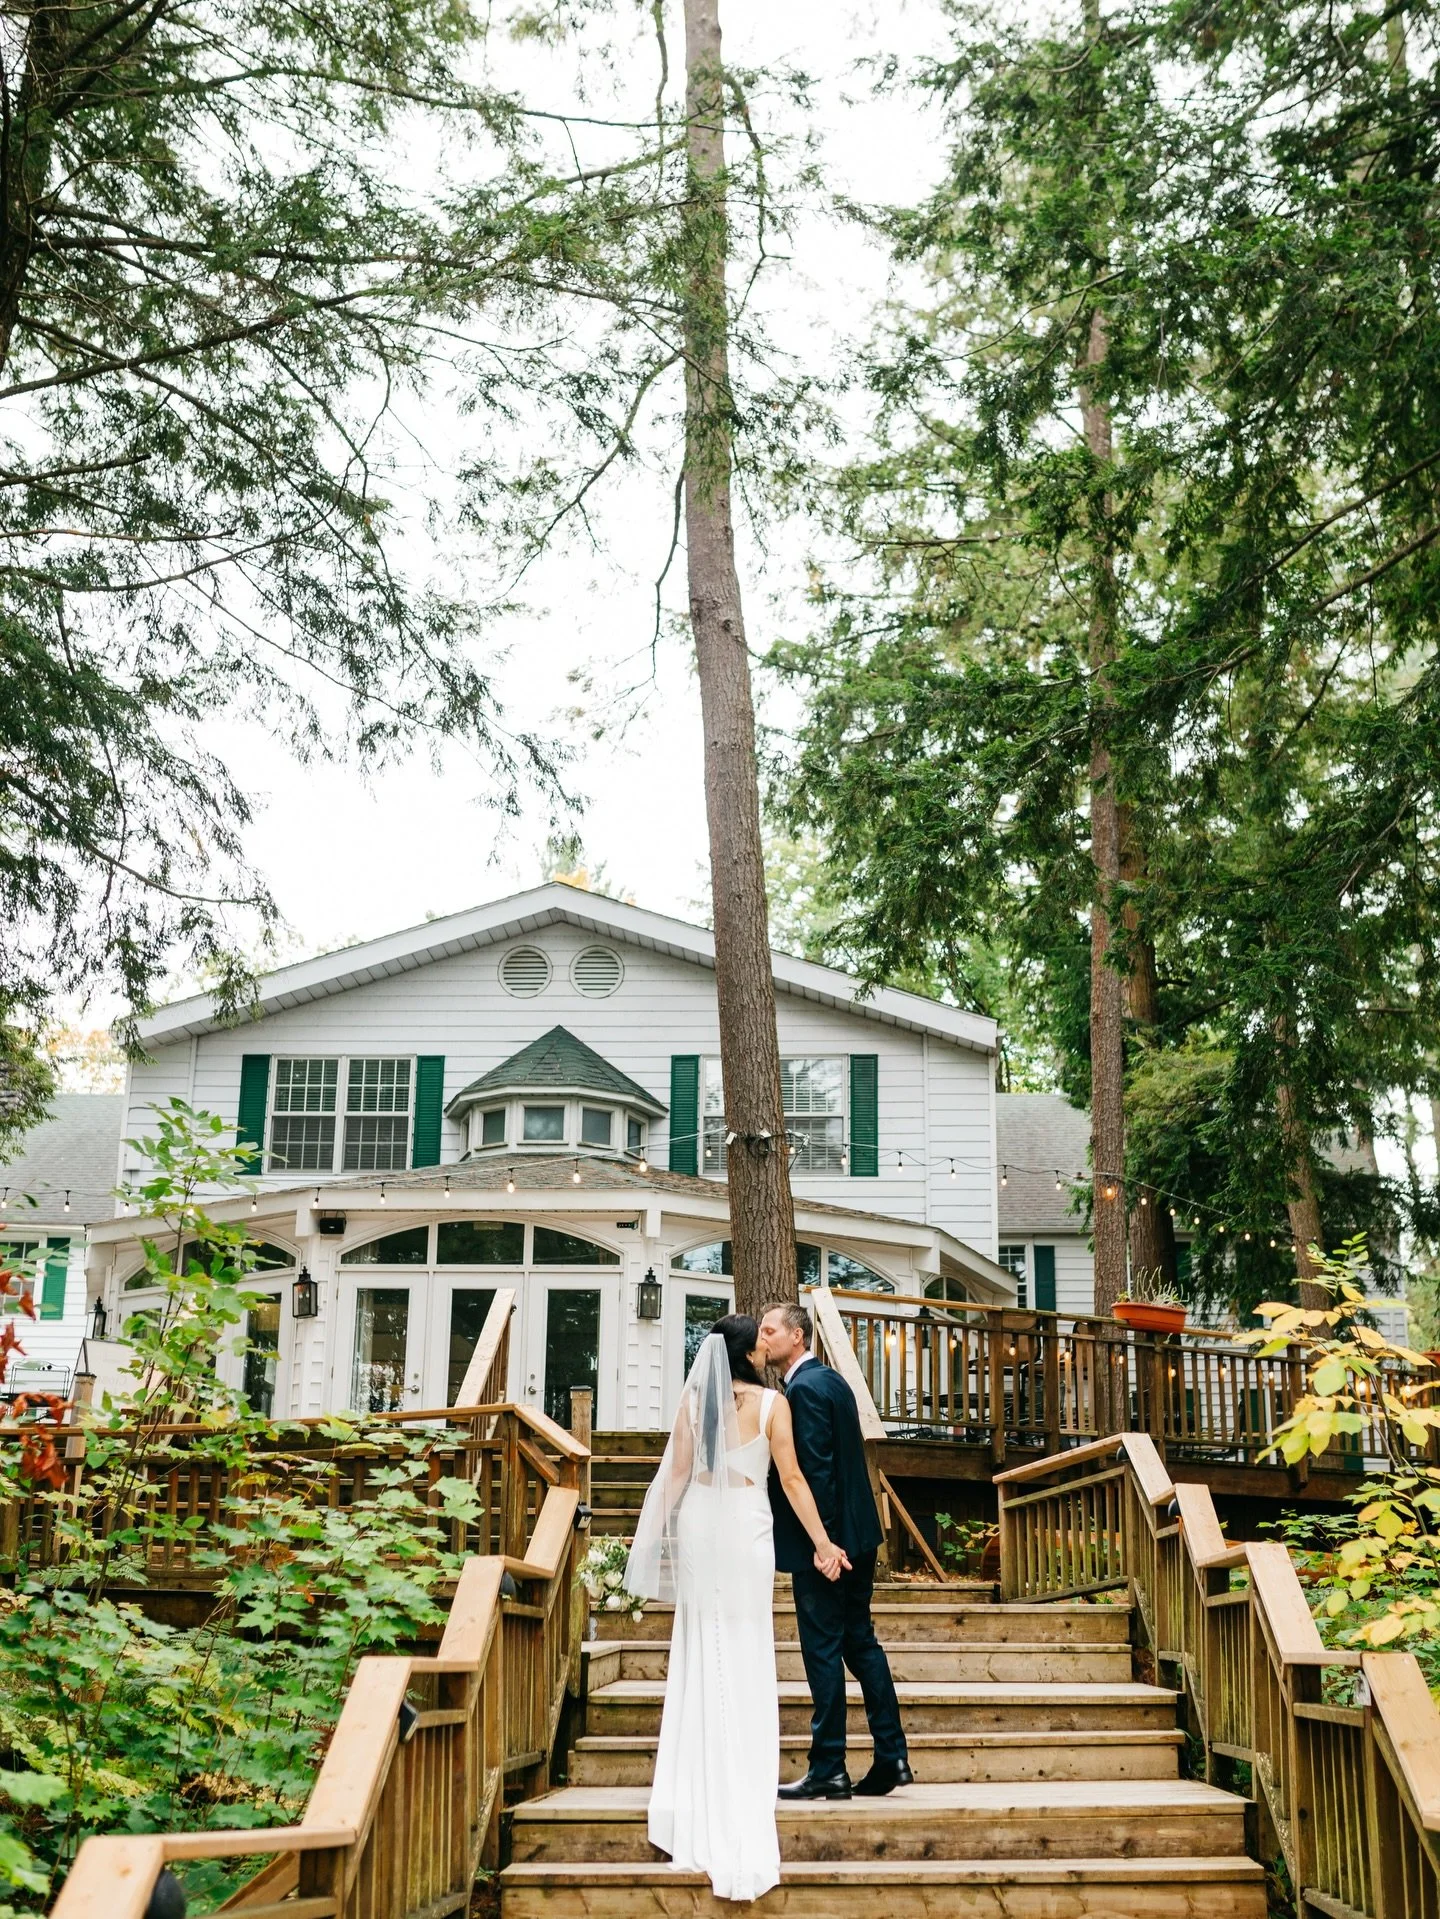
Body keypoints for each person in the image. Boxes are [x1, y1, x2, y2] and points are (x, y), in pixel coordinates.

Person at [625, 1314, 847, 1903]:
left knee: (701, 1645)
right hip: (748, 1527)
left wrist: (645, 1542)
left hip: (701, 1521)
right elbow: (793, 1481)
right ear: (752, 1354)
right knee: (745, 1646)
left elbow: (672, 1477)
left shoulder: (695, 1401)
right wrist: (824, 1543)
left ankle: (695, 1779)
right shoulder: (774, 1404)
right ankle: (741, 1772)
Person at [758, 1300, 912, 1800]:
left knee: (823, 1649)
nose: (763, 1339)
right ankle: (892, 1754)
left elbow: (814, 1473)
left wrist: (822, 1548)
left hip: (828, 1544)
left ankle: (828, 1766)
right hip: (860, 1537)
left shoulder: (801, 1391)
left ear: (797, 1337)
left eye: (770, 1331)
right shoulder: (833, 1381)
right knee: (860, 1643)